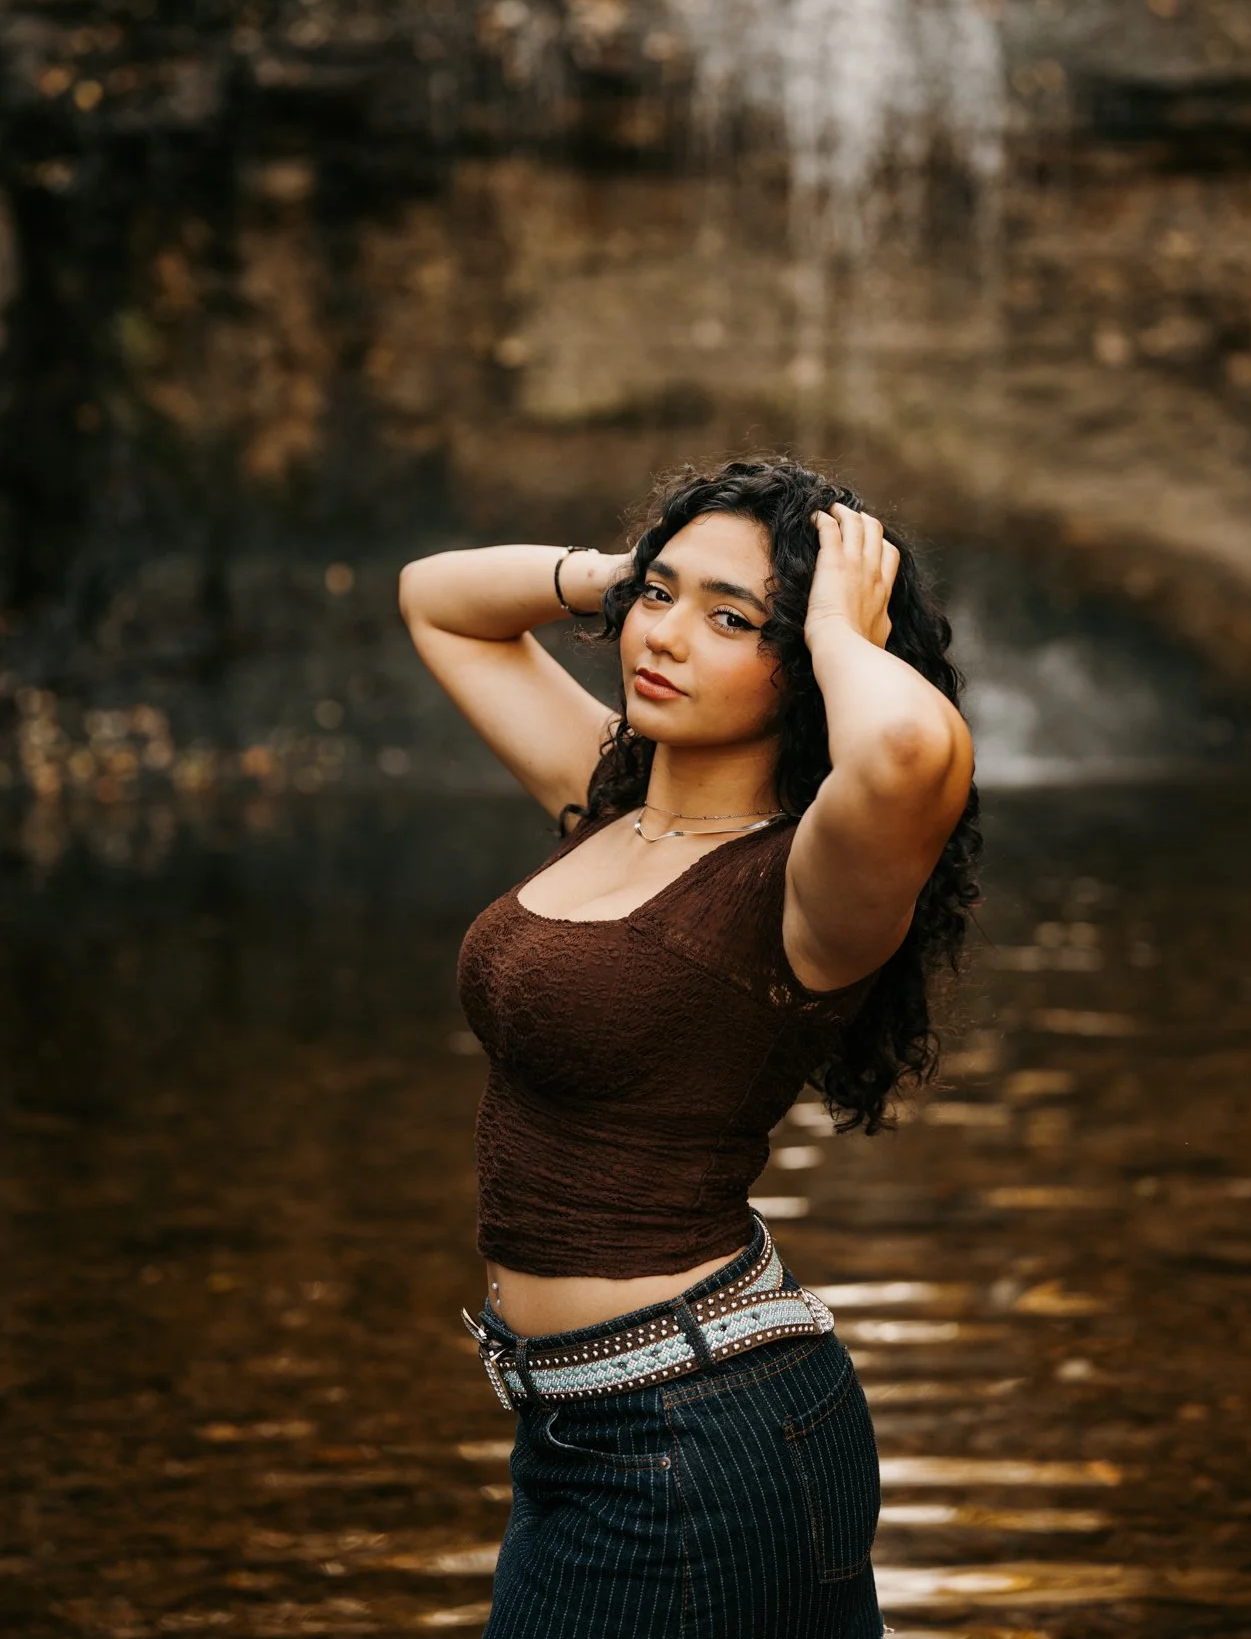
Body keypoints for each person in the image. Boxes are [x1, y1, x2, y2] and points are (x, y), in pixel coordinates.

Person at [399, 454, 979, 1639]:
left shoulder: (805, 882)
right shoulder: (615, 795)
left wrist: (836, 627)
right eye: (660, 600)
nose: (664, 635)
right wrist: (629, 576)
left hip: (691, 1434)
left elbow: (913, 751)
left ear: (810, 664)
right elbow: (435, 598)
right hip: (585, 1424)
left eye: (731, 622)